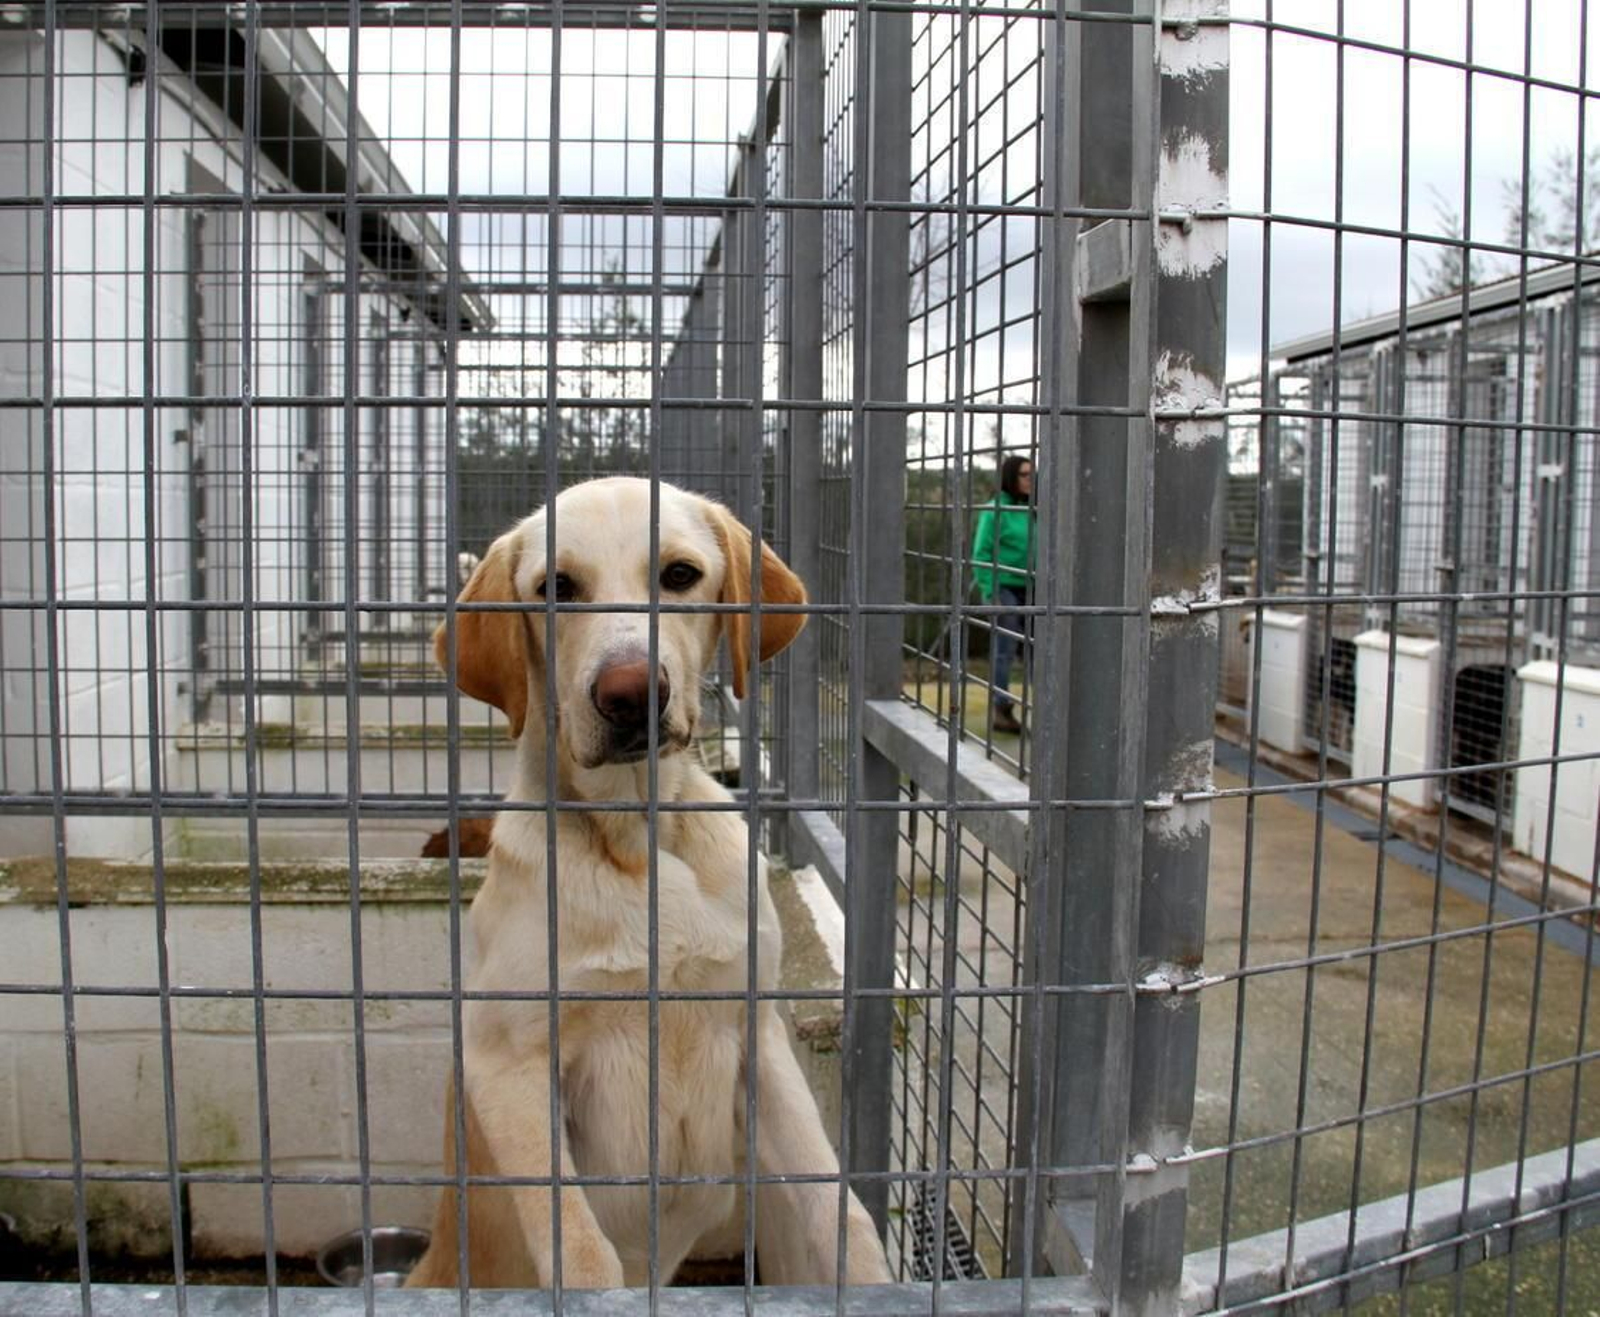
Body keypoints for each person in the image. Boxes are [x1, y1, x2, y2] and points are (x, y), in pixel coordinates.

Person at [970, 454, 1035, 734]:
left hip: (1034, 587)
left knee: (1038, 648)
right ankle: (1001, 707)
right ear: (1011, 477)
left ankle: (1042, 706)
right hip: (1003, 587)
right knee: (1005, 648)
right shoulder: (996, 509)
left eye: (1033, 474)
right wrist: (990, 590)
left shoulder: (1036, 509)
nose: (1030, 480)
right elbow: (981, 553)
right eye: (1024, 475)